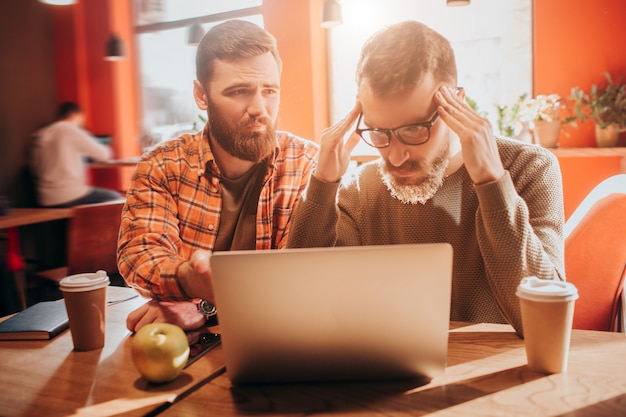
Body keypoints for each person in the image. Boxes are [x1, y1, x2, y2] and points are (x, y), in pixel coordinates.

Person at [286, 21, 565, 337]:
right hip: (388, 373)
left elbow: (545, 321)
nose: (395, 157)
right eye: (378, 133)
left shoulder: (530, 168)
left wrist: (492, 183)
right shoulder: (360, 190)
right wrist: (322, 184)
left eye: (414, 130)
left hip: (501, 374)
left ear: (455, 102)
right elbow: (299, 304)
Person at [118, 20, 319, 333]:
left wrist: (202, 305)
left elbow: (295, 278)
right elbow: (139, 257)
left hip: (278, 337)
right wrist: (188, 278)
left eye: (269, 90)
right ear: (201, 95)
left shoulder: (306, 163)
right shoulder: (161, 166)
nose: (259, 108)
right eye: (239, 92)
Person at [29, 102, 122, 208]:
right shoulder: (70, 130)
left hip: (45, 198)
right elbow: (104, 154)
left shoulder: (41, 133)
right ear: (77, 116)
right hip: (69, 195)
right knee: (115, 197)